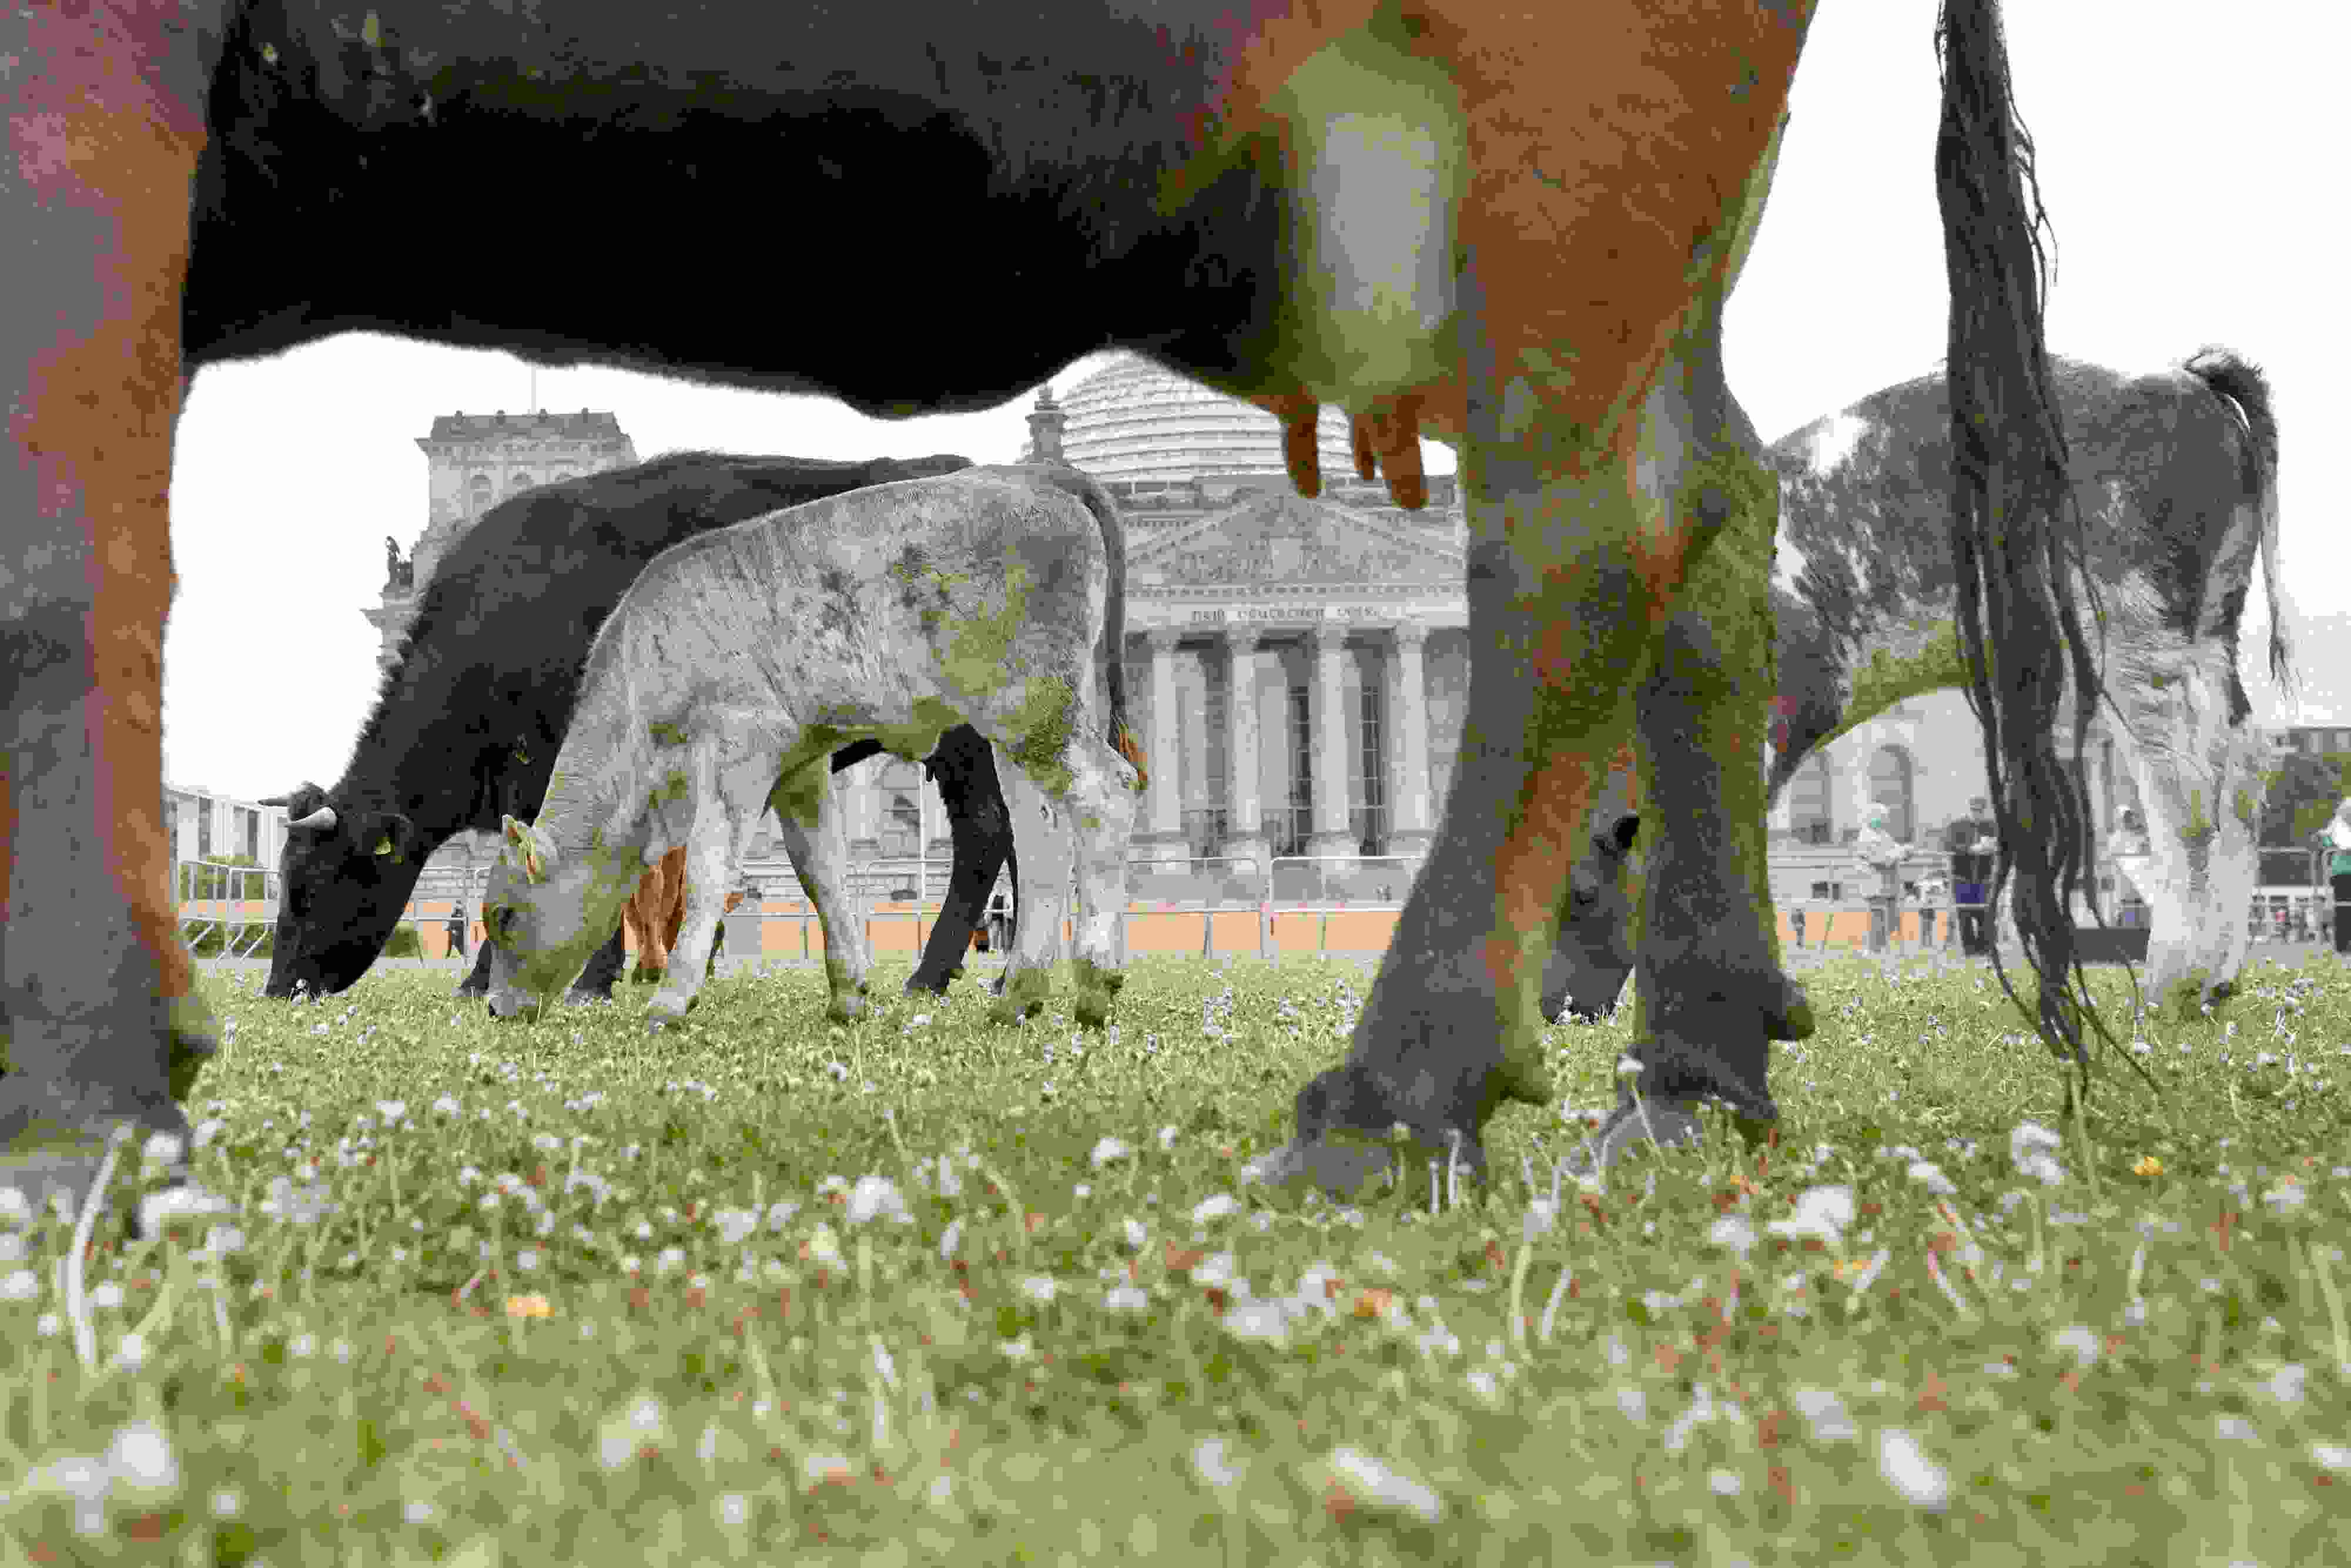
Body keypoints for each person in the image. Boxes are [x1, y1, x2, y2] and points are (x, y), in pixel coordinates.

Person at [1944, 795, 2000, 956]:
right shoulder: (1956, 826)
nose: (1977, 814)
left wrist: (1992, 848)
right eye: (1974, 810)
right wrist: (1969, 849)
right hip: (1962, 877)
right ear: (1969, 810)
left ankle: (1983, 948)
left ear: (1984, 811)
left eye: (1980, 811)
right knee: (1964, 914)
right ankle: (1969, 949)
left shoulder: (1991, 826)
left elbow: (2002, 844)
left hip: (1984, 877)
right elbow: (1948, 845)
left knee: (1985, 914)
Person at [2105, 806, 2152, 929]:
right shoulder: (2115, 839)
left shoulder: (2140, 836)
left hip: (2141, 896)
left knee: (2144, 926)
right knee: (2129, 925)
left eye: (2130, 816)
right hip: (2125, 896)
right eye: (2125, 817)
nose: (2129, 820)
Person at [2325, 799, 2351, 954]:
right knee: (2343, 910)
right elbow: (2327, 840)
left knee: (2343, 910)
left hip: (2341, 873)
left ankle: (2343, 945)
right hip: (2343, 873)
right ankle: (2342, 945)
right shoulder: (2338, 826)